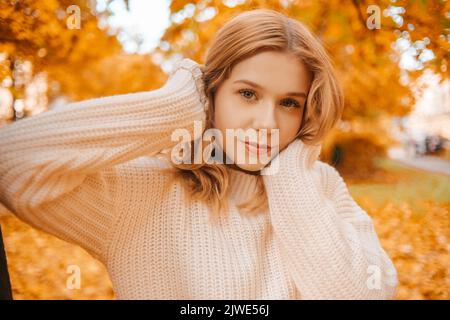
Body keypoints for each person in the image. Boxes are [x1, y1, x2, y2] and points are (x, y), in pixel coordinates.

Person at [0, 9, 398, 299]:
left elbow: (363, 293)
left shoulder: (320, 187)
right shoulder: (145, 189)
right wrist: (172, 109)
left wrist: (291, 173)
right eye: (247, 94)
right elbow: (11, 161)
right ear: (211, 93)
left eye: (289, 103)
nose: (266, 121)